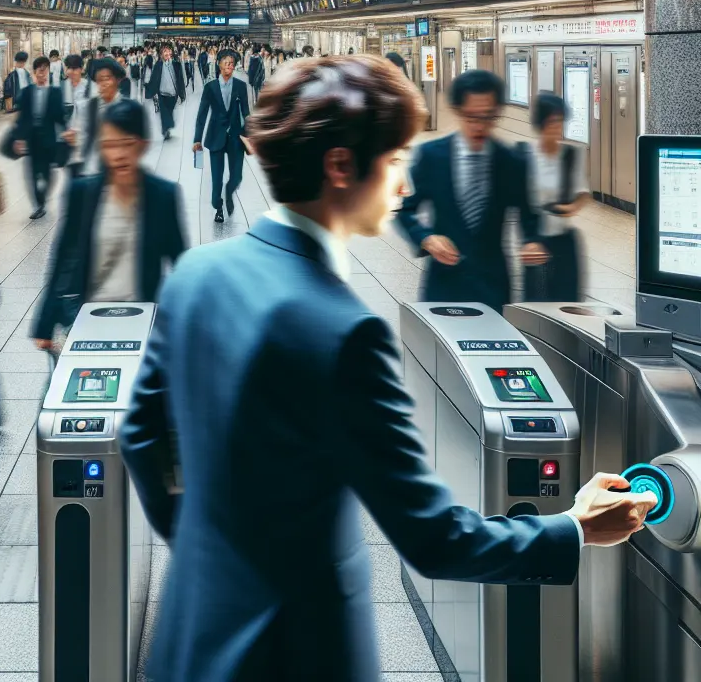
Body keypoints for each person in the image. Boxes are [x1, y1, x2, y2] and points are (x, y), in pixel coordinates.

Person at [120, 55, 656, 682]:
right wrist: (573, 528)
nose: (404, 186)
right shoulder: (343, 331)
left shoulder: (195, 274)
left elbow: (142, 435)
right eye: (396, 160)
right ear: (341, 166)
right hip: (293, 656)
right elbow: (433, 538)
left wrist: (208, 548)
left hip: (190, 636)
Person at [31, 99, 185, 351]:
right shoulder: (83, 192)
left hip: (142, 319)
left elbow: (181, 263)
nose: (119, 154)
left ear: (144, 145)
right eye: (111, 144)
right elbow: (62, 257)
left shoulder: (162, 196)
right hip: (87, 318)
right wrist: (44, 323)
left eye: (128, 143)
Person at [396, 69, 547, 311]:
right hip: (443, 284)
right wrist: (427, 238)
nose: (479, 126)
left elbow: (530, 216)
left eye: (488, 117)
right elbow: (406, 211)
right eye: (471, 117)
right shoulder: (431, 156)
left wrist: (531, 242)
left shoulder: (512, 162)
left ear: (497, 113)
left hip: (493, 286)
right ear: (457, 111)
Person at [521, 92, 590, 301]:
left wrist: (571, 208)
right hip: (536, 241)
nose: (557, 127)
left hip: (564, 241)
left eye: (560, 121)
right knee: (537, 303)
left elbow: (583, 193)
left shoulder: (571, 154)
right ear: (540, 123)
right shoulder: (524, 155)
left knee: (567, 301)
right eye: (552, 122)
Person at [193, 48, 250, 224]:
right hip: (216, 137)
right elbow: (202, 115)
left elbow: (246, 112)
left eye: (232, 63)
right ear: (218, 65)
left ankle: (229, 192)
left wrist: (250, 136)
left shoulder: (241, 86)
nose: (229, 66)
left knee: (237, 177)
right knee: (217, 177)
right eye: (226, 62)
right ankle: (218, 207)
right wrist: (197, 139)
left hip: (235, 137)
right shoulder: (210, 88)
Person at [12, 55, 65, 219]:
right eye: (39, 71)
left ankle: (42, 198)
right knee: (33, 174)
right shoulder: (27, 92)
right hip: (32, 139)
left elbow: (60, 117)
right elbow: (22, 117)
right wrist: (19, 138)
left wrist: (66, 133)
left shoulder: (56, 93)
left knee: (48, 174)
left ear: (49, 72)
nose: (42, 74)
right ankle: (39, 205)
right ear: (34, 73)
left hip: (49, 139)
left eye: (45, 71)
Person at [146, 43, 186, 140]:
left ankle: (166, 127)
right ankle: (165, 129)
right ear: (161, 54)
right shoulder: (158, 65)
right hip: (162, 93)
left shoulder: (176, 64)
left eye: (168, 51)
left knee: (170, 111)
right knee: (164, 113)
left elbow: (180, 79)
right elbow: (153, 79)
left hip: (173, 93)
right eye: (165, 51)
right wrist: (150, 89)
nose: (167, 53)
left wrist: (182, 93)